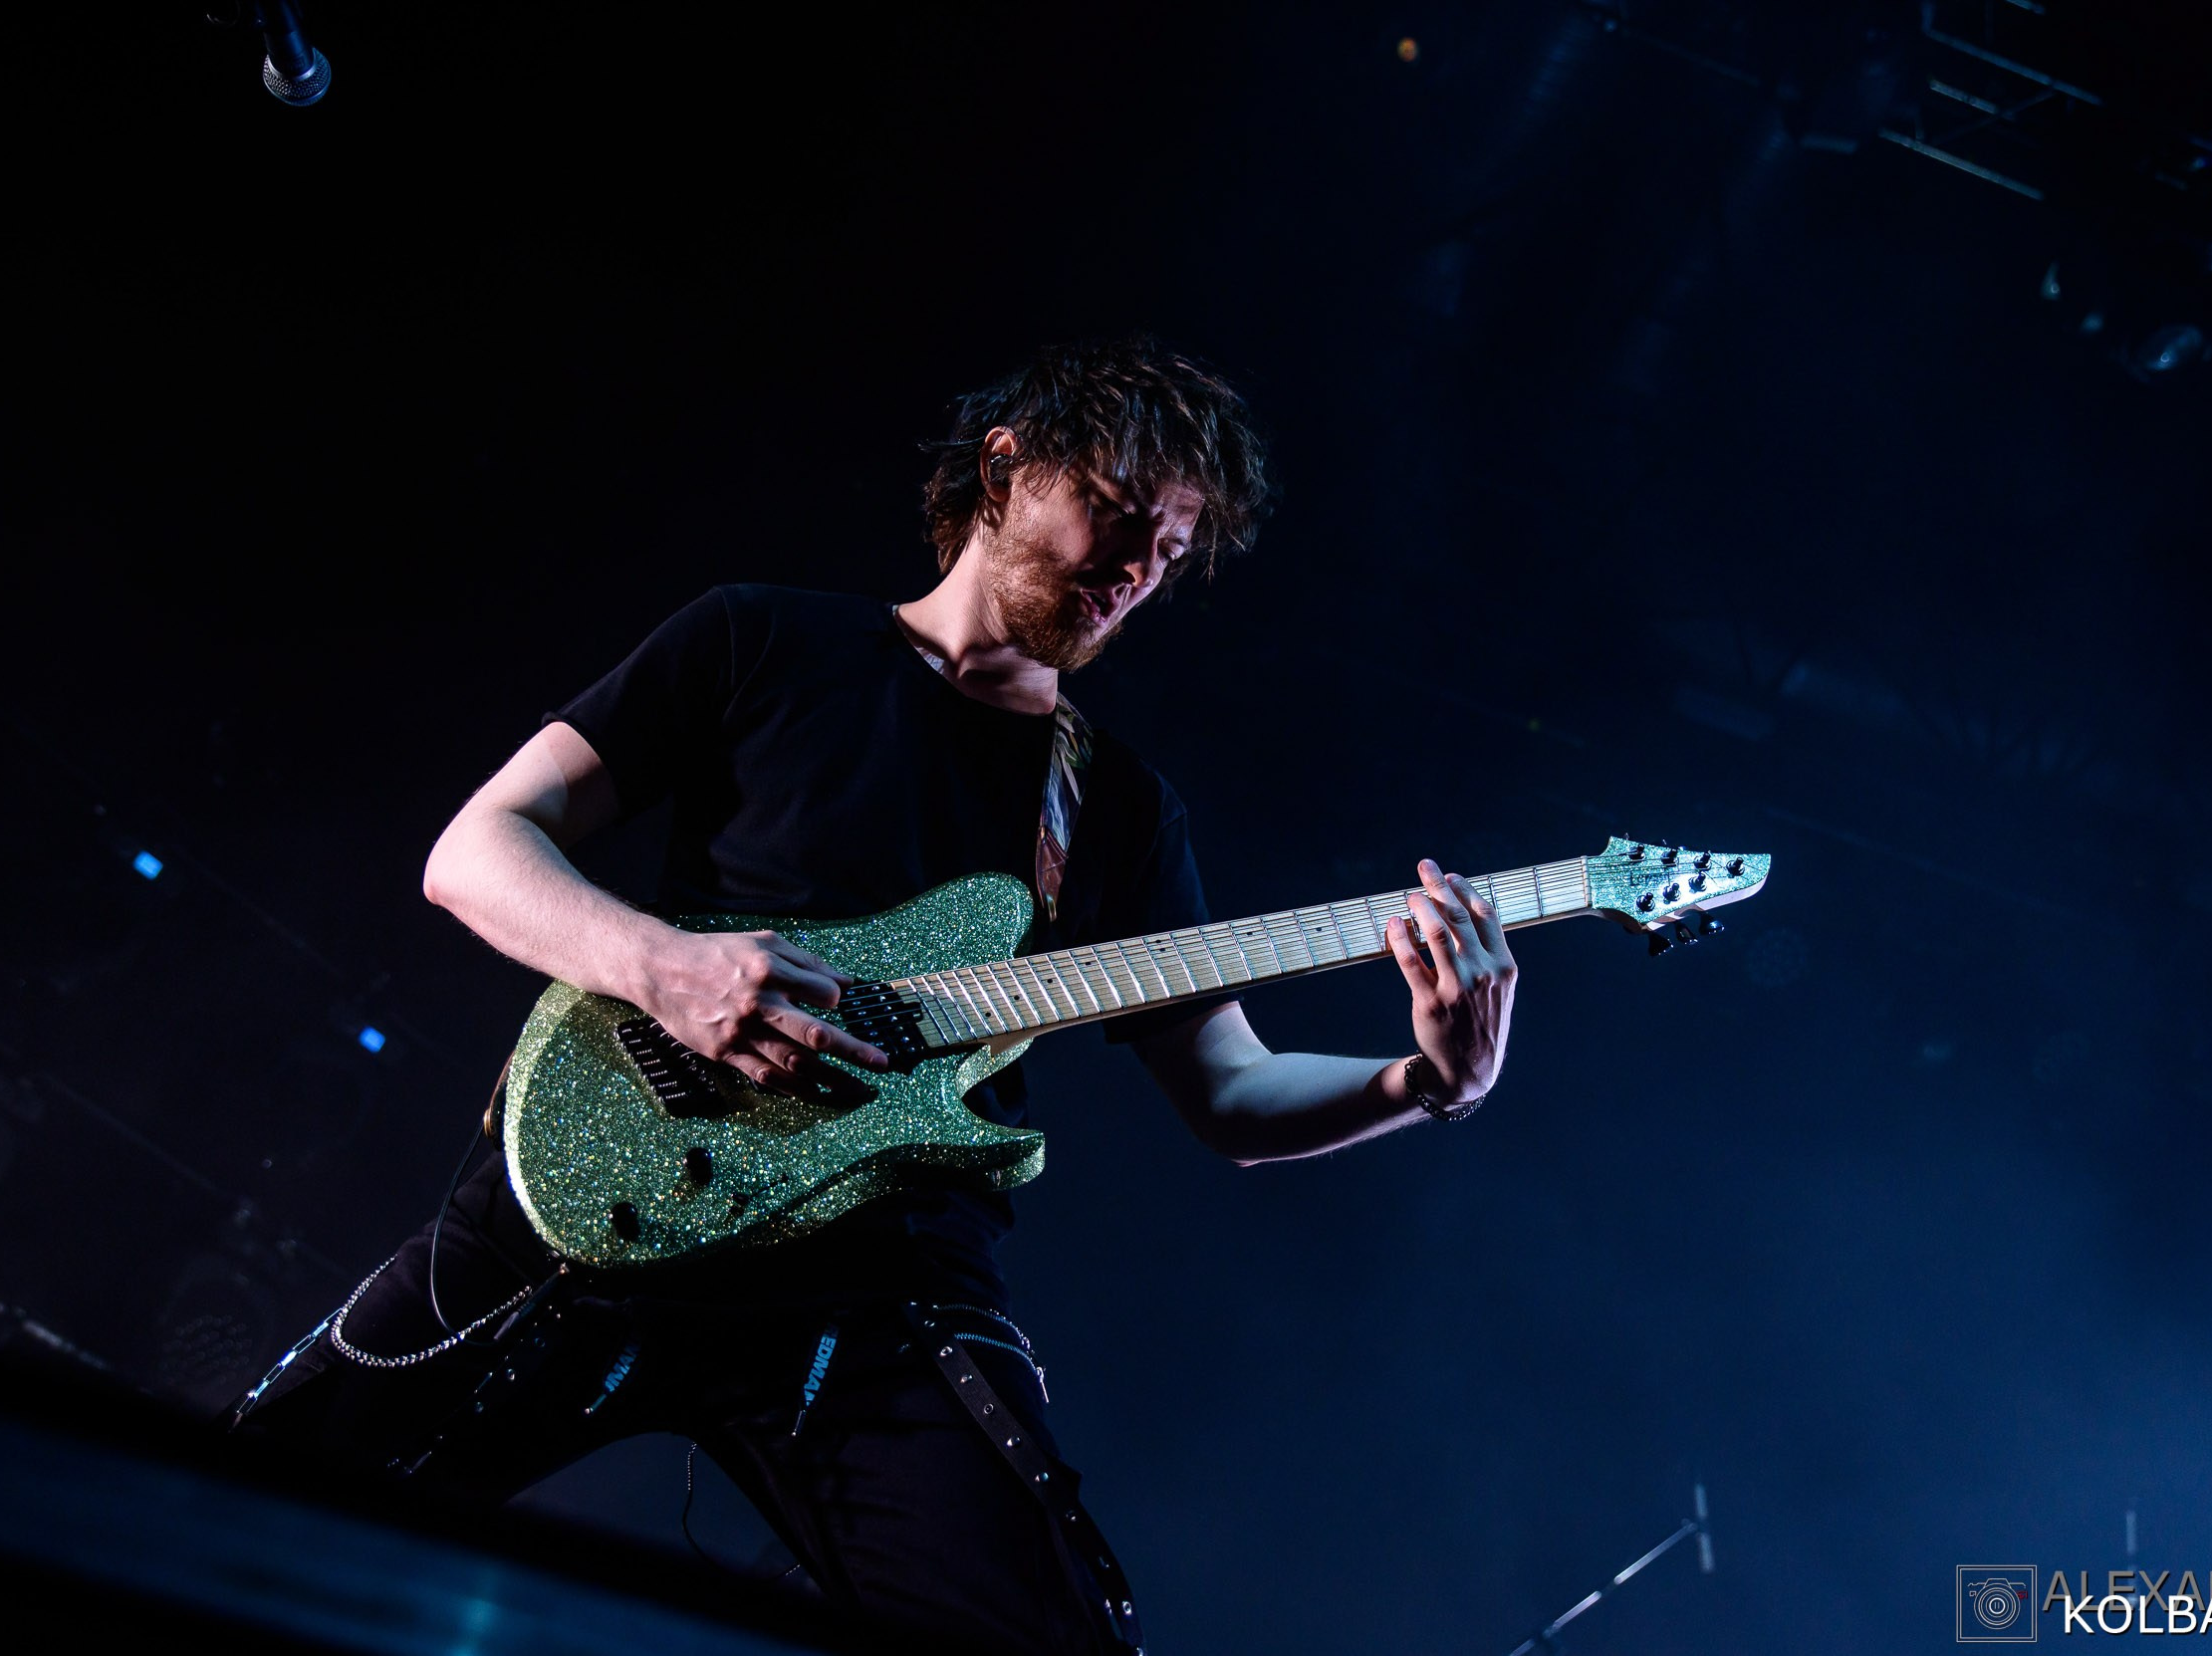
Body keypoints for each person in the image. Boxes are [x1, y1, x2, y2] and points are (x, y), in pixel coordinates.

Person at [231, 338, 1518, 1654]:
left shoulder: (1119, 810)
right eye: (1124, 515)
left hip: (880, 1284)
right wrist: (662, 966)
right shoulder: (762, 639)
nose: (1140, 565)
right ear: (1008, 464)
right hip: (604, 1174)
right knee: (232, 1518)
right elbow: (476, 851)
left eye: (1172, 553)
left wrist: (1428, 1083)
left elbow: (1233, 1093)